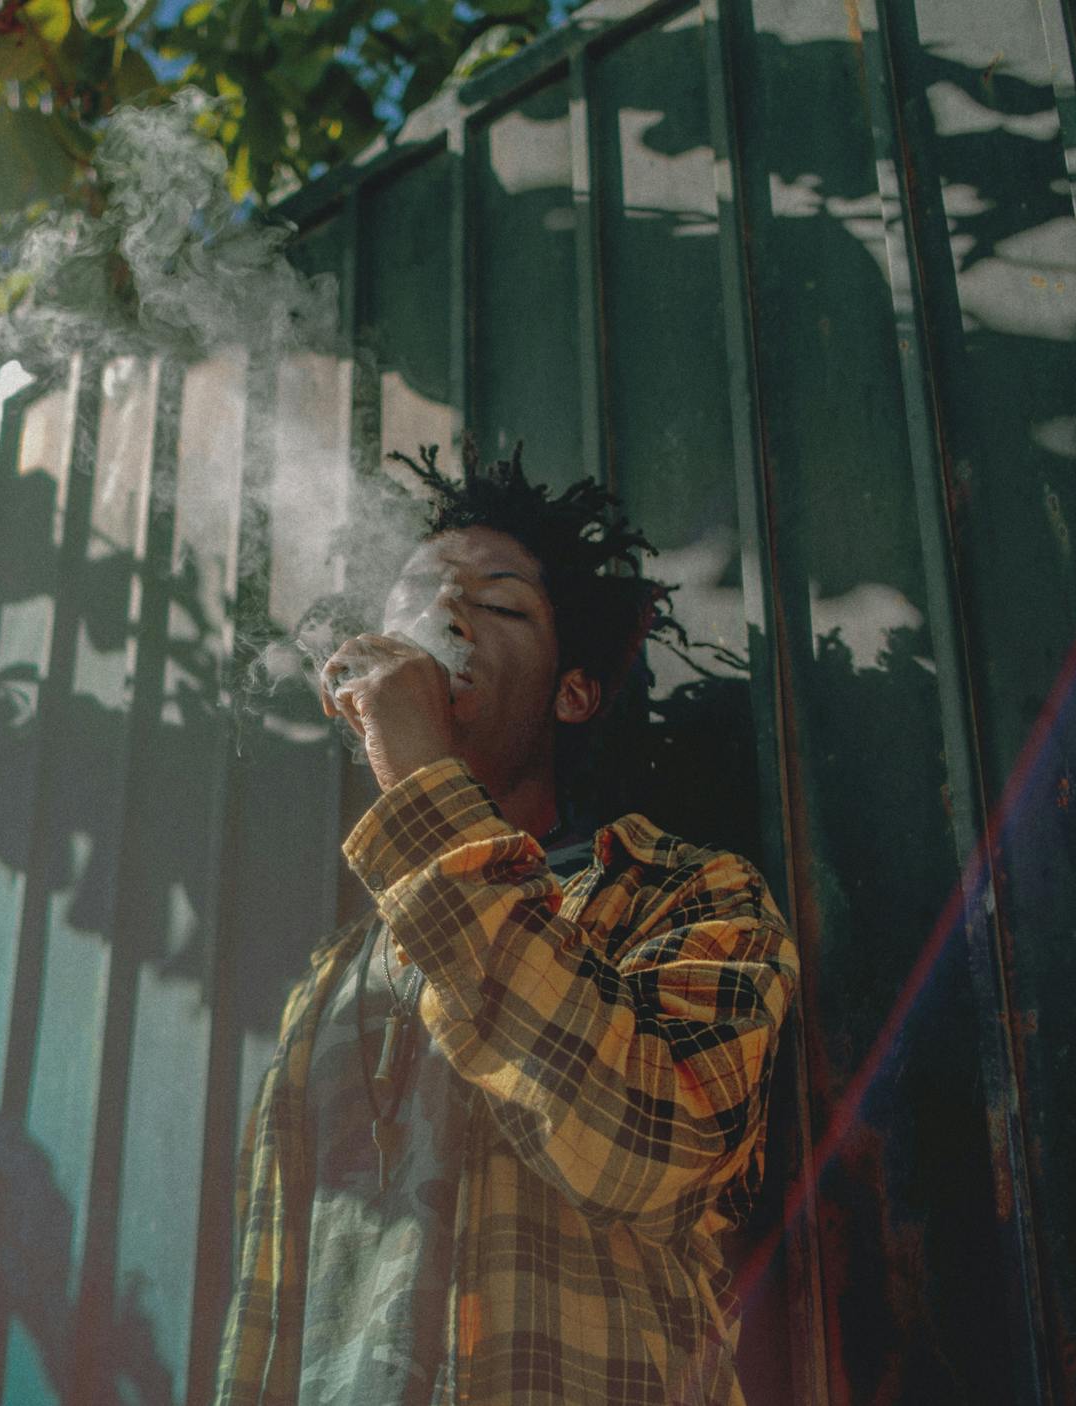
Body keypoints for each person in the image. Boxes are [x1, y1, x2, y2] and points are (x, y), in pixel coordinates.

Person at [216, 442, 800, 1405]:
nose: (444, 616)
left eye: (499, 605)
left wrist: (420, 775)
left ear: (573, 693)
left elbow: (645, 1150)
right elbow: (270, 1304)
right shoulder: (332, 980)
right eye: (417, 595)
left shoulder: (689, 897)